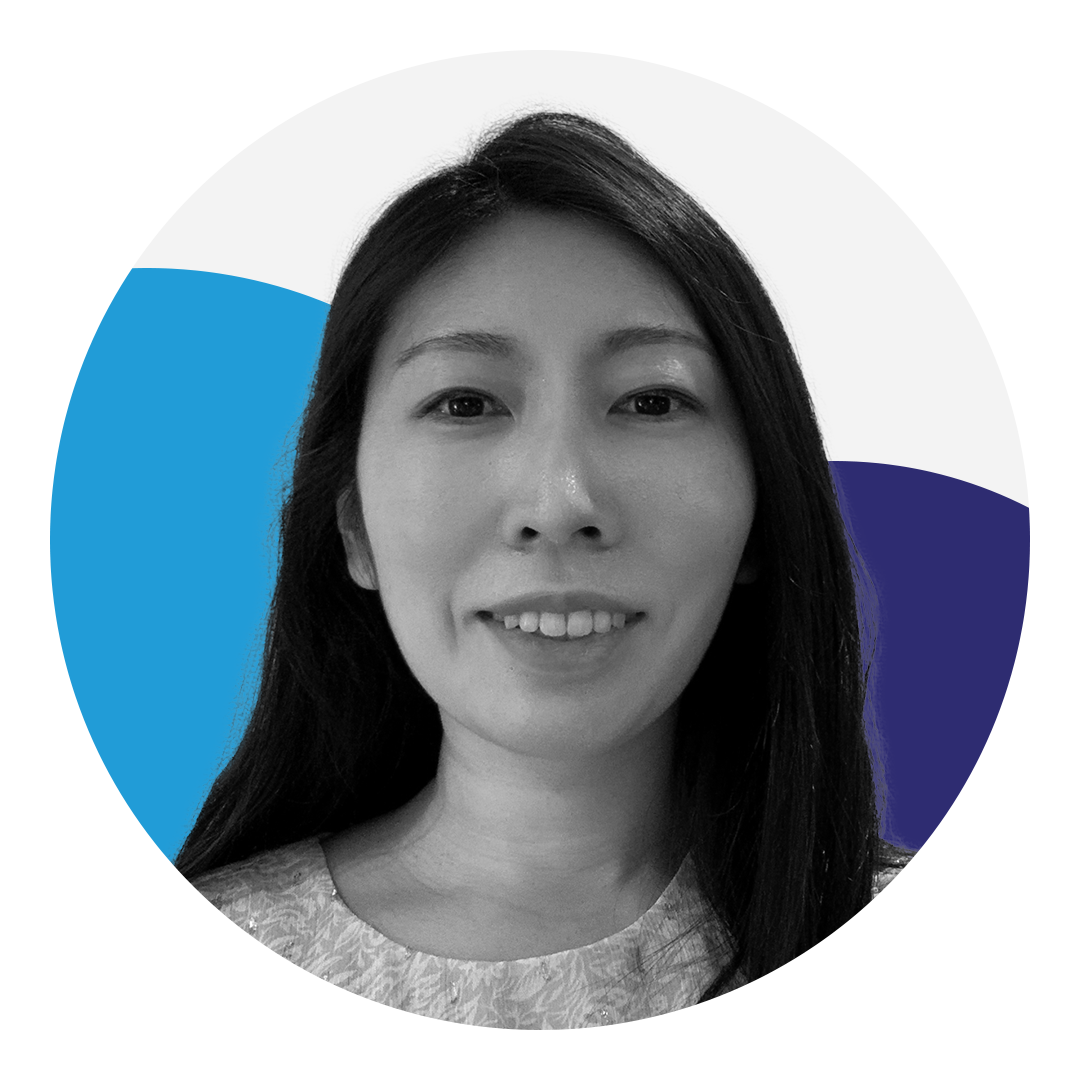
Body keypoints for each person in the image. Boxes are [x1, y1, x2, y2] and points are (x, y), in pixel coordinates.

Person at [145, 112, 937, 1031]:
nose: (560, 502)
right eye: (465, 403)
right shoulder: (160, 985)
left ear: (762, 513)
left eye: (651, 400)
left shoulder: (938, 968)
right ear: (354, 526)